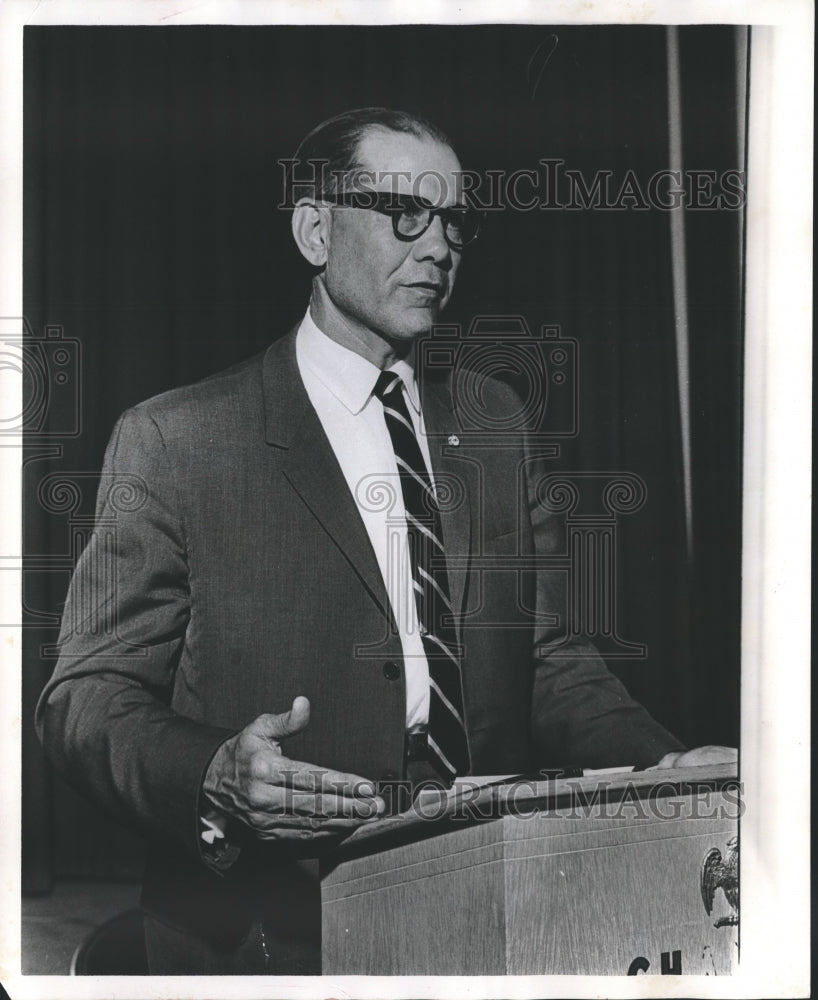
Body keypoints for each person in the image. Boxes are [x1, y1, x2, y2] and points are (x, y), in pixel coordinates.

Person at [36, 107, 735, 975]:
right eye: (406, 212)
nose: (437, 245)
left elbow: (549, 658)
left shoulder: (495, 425)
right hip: (269, 934)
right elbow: (85, 698)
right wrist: (213, 773)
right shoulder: (177, 440)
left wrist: (670, 769)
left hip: (483, 915)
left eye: (453, 220)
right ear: (315, 229)